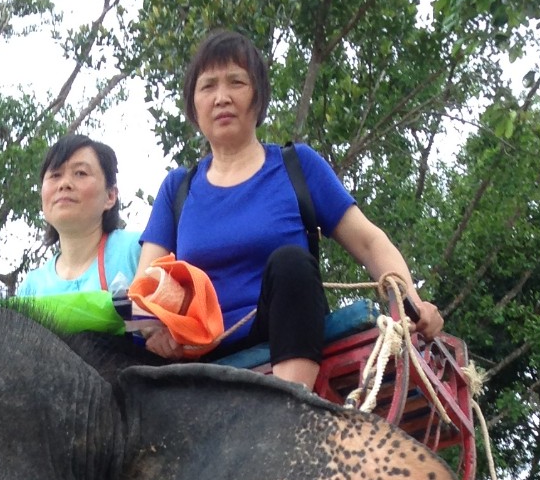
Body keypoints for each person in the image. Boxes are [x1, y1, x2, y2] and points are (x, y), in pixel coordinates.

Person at [139, 29, 443, 388]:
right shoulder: (178, 188)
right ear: (193, 105)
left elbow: (369, 242)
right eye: (208, 86)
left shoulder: (297, 165)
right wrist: (152, 331)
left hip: (286, 335)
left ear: (258, 97)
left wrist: (412, 300)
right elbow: (145, 287)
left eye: (236, 82)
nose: (222, 97)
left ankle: (289, 405)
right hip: (201, 349)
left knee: (292, 264)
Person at [18, 135, 144, 301]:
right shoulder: (31, 288)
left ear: (110, 196)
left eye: (80, 173)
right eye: (55, 175)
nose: (65, 184)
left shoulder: (138, 251)